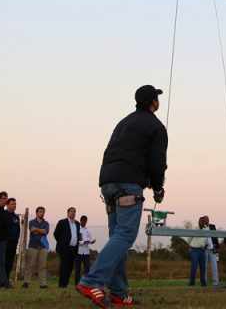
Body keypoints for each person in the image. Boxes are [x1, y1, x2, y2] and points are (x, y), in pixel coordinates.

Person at [76, 84, 168, 308]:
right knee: (125, 235)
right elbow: (157, 163)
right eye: (157, 97)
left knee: (117, 236)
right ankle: (92, 281)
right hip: (129, 184)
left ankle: (118, 292)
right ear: (153, 102)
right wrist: (157, 188)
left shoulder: (123, 122)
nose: (158, 100)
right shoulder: (156, 127)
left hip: (107, 183)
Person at [22, 206, 50, 289]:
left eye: (43, 212)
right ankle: (26, 282)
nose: (42, 213)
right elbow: (32, 230)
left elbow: (45, 232)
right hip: (33, 246)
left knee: (42, 266)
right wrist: (40, 230)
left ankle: (43, 284)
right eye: (40, 211)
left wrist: (37, 230)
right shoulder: (31, 222)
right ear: (37, 213)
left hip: (43, 246)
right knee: (30, 265)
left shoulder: (46, 223)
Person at [55, 207, 82, 287]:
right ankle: (62, 285)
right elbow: (56, 234)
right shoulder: (62, 222)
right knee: (64, 266)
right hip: (64, 248)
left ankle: (65, 284)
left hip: (74, 249)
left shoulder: (77, 224)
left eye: (74, 212)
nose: (73, 213)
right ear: (68, 213)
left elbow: (77, 235)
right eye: (71, 211)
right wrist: (62, 243)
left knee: (70, 267)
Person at [188, 217, 209, 287]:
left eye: (203, 222)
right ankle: (192, 283)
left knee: (203, 267)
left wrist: (205, 246)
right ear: (199, 222)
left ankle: (203, 283)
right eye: (201, 221)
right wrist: (190, 247)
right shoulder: (195, 229)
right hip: (194, 250)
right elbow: (189, 239)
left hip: (202, 250)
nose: (202, 223)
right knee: (194, 267)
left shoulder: (206, 230)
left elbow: (206, 240)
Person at [75, 215, 95, 282]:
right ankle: (77, 282)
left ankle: (86, 282)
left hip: (86, 252)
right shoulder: (78, 230)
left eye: (85, 221)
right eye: (83, 221)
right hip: (78, 252)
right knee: (78, 268)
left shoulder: (88, 230)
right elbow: (79, 241)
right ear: (80, 221)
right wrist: (86, 241)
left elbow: (91, 239)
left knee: (87, 268)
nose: (84, 222)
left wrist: (92, 241)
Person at [5, 198, 20, 279]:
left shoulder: (16, 217)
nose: (14, 206)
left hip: (13, 243)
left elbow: (18, 230)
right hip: (4, 242)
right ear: (7, 205)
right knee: (3, 261)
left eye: (15, 204)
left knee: (10, 262)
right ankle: (0, 280)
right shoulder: (4, 215)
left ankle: (6, 279)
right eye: (12, 204)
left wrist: (16, 241)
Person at [205, 216, 220, 287]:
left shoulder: (212, 226)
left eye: (207, 219)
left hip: (213, 249)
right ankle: (204, 283)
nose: (206, 220)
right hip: (204, 250)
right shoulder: (201, 228)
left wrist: (217, 247)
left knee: (215, 266)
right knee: (204, 267)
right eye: (205, 219)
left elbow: (215, 237)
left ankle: (216, 283)